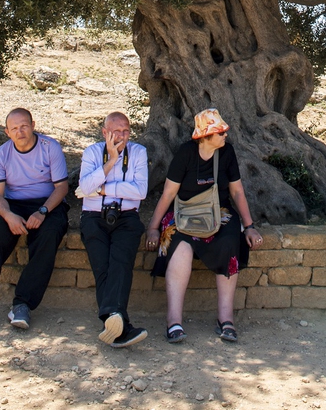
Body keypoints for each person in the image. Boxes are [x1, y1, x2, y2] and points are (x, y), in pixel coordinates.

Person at [144, 109, 263, 344]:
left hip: (219, 212)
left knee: (230, 240)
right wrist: (153, 228)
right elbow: (168, 194)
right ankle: (174, 320)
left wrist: (249, 226)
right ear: (205, 136)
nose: (225, 135)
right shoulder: (186, 154)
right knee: (180, 245)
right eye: (220, 132)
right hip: (185, 212)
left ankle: (225, 319)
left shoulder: (227, 152)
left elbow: (237, 191)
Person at [0, 108, 69, 329]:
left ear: (33, 125)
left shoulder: (50, 148)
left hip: (46, 203)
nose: (20, 132)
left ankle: (23, 305)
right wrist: (9, 216)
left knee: (49, 234)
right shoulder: (1, 154)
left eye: (24, 126)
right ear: (7, 132)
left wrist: (42, 212)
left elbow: (61, 188)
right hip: (12, 204)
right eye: (14, 128)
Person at [78, 111, 148, 348]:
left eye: (126, 131)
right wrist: (110, 162)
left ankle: (112, 322)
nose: (122, 135)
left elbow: (140, 192)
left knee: (121, 260)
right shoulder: (91, 152)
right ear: (105, 132)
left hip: (126, 216)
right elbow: (84, 186)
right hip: (93, 216)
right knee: (102, 266)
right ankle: (119, 325)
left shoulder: (138, 152)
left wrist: (104, 190)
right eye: (116, 131)